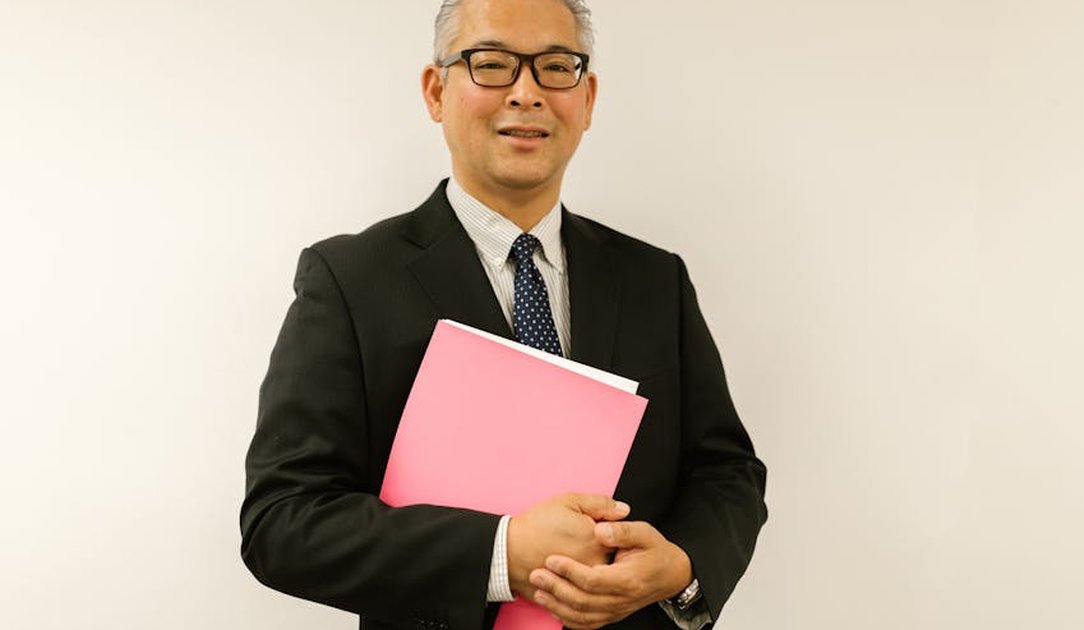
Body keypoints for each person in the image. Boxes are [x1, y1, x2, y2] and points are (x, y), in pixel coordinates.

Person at [239, 1, 767, 628]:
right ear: (436, 91)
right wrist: (503, 552)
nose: (526, 92)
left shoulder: (656, 278)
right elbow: (283, 521)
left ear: (587, 98)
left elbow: (725, 471)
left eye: (556, 67)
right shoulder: (350, 279)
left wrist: (681, 567)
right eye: (491, 64)